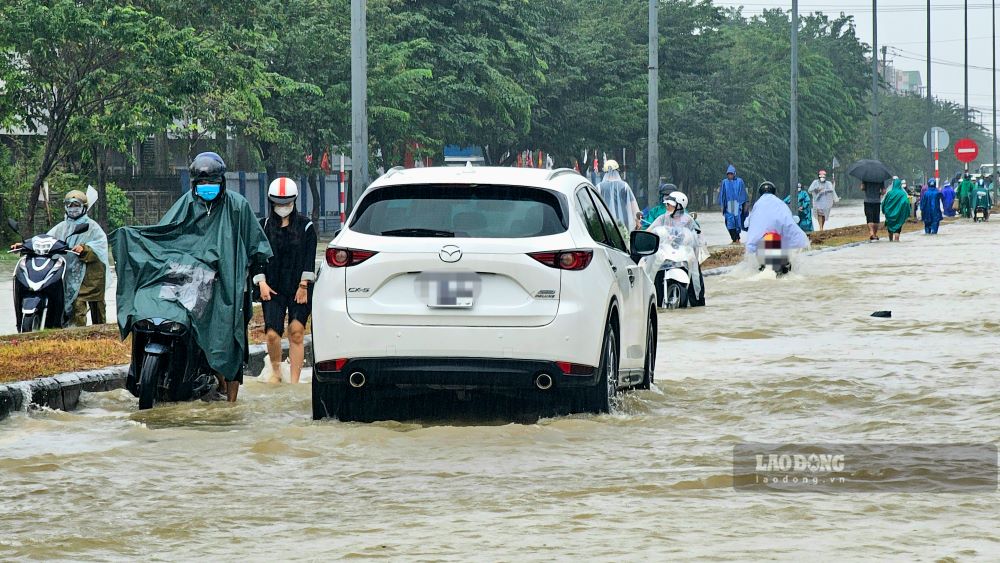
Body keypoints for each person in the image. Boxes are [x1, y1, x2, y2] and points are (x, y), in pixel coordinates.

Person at [112, 152, 272, 403]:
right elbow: (166, 233)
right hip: (188, 274)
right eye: (202, 185)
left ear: (222, 183)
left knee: (227, 339)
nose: (207, 189)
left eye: (212, 185)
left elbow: (256, 246)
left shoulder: (237, 206)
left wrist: (257, 277)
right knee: (160, 306)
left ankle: (231, 403)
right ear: (194, 184)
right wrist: (131, 237)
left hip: (225, 281)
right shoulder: (187, 203)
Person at [255, 178, 317, 384]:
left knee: (297, 332)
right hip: (272, 288)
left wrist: (303, 285)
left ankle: (295, 382)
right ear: (271, 202)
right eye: (279, 203)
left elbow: (309, 258)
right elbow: (257, 256)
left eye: (287, 203)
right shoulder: (263, 226)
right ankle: (276, 372)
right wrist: (261, 282)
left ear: (294, 201)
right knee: (272, 335)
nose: (283, 207)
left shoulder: (306, 226)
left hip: (300, 288)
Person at [646, 191, 705, 306]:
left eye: (670, 204)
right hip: (665, 252)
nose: (667, 206)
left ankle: (697, 301)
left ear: (679, 206)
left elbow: (698, 235)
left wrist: (697, 240)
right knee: (653, 267)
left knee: (695, 273)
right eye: (667, 204)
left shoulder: (688, 220)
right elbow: (650, 230)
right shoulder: (662, 218)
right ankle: (652, 298)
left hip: (684, 253)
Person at [744, 181, 809, 264]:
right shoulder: (780, 203)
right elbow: (789, 218)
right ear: (774, 191)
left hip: (762, 242)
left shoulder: (757, 205)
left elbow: (748, 222)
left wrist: (747, 225)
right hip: (778, 240)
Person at [596, 159, 642, 238]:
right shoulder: (624, 186)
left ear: (605, 172)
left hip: (605, 223)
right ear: (617, 171)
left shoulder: (599, 187)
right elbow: (633, 207)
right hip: (623, 222)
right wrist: (638, 222)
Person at [717, 164, 748, 243]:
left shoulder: (740, 181)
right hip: (728, 205)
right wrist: (722, 206)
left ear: (734, 174)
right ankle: (734, 238)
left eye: (731, 174)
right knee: (729, 223)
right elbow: (722, 194)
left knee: (737, 222)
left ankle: (737, 239)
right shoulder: (724, 182)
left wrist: (745, 205)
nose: (730, 176)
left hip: (737, 204)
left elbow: (743, 193)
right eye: (728, 174)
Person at [881, 177, 911, 242]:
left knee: (890, 228)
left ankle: (890, 241)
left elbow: (884, 203)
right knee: (897, 229)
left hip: (889, 214)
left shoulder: (889, 193)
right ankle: (896, 240)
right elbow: (906, 202)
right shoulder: (903, 194)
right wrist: (906, 211)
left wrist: (884, 210)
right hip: (898, 215)